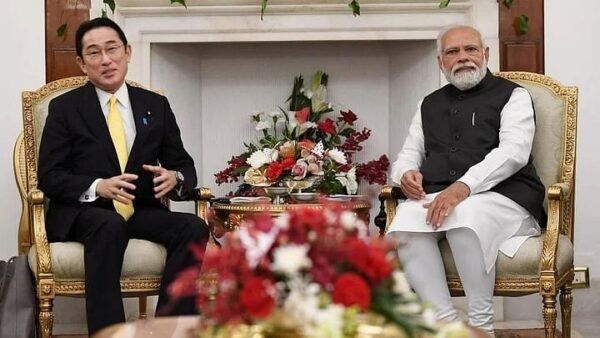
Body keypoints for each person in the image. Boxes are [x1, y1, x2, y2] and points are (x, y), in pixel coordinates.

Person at [38, 17, 212, 335]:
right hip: (84, 212)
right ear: (81, 63)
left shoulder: (155, 105)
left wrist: (175, 178)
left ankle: (169, 329)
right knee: (109, 224)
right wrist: (97, 187)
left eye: (112, 49)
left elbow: (184, 165)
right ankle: (110, 332)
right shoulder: (65, 108)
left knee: (193, 226)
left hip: (138, 209)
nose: (105, 60)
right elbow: (49, 176)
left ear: (127, 52)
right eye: (94, 53)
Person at [386, 24, 546, 336]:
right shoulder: (428, 104)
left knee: (465, 214)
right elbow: (409, 152)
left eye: (470, 49)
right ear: (440, 62)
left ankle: (481, 326)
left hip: (506, 197)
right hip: (441, 196)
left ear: (485, 54)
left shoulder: (513, 95)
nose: (463, 57)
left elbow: (513, 152)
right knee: (404, 222)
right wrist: (405, 174)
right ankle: (446, 326)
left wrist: (463, 187)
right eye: (452, 52)